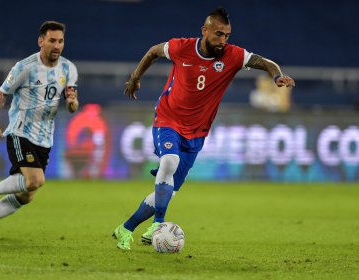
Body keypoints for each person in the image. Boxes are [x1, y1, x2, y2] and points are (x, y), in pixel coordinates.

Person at [112, 7, 295, 250]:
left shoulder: (233, 55)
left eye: (227, 35)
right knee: (169, 162)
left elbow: (266, 62)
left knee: (168, 192)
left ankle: (125, 228)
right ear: (205, 31)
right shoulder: (182, 47)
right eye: (218, 34)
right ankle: (158, 224)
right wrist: (135, 77)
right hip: (167, 118)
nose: (223, 41)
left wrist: (277, 77)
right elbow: (154, 51)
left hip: (197, 132)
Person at [0, 21, 79, 222]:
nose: (57, 45)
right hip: (21, 132)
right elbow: (3, 93)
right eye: (52, 41)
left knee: (26, 194)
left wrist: (72, 102)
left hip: (45, 138)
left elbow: (73, 106)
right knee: (35, 180)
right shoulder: (25, 67)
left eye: (61, 41)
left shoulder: (69, 69)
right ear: (41, 41)